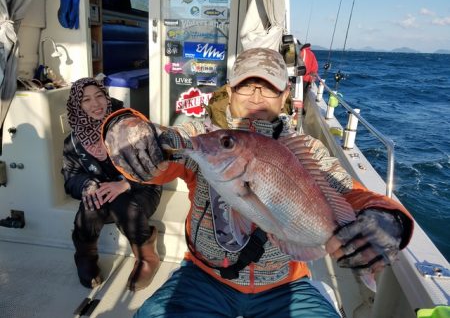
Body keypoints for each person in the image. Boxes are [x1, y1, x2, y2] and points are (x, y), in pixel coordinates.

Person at [101, 48, 413, 317]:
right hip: (204, 277)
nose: (256, 97)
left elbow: (351, 193)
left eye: (268, 89)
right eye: (246, 87)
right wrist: (124, 126)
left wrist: (386, 216)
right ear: (230, 91)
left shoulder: (308, 150)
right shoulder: (206, 139)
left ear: (285, 96)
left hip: (285, 284)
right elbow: (161, 151)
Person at [62, 77, 162, 291]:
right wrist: (87, 184)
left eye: (99, 96)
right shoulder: (72, 140)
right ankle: (85, 257)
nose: (95, 104)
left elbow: (155, 165)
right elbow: (71, 179)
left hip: (141, 189)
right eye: (86, 100)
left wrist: (126, 184)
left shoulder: (127, 124)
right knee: (91, 201)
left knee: (122, 203)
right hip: (104, 194)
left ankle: (146, 257)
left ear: (107, 97)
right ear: (77, 106)